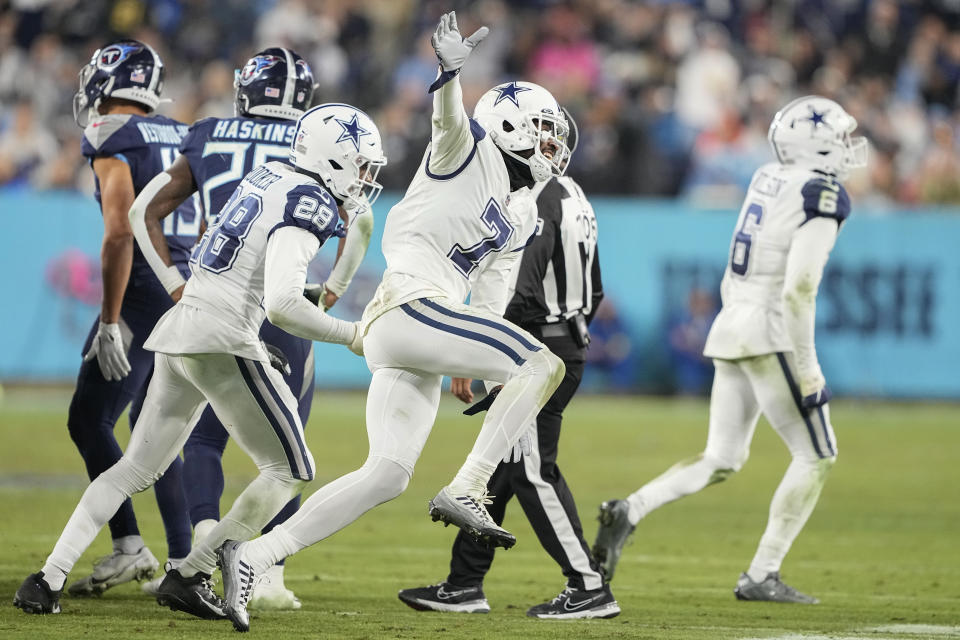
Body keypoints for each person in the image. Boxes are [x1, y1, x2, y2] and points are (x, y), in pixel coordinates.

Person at [215, 12, 569, 632]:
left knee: (386, 474)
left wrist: (473, 368)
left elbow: (490, 298)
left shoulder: (524, 210)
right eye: (540, 129)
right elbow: (448, 120)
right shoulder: (470, 149)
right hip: (410, 305)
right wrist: (450, 73)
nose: (550, 143)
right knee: (544, 362)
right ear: (508, 124)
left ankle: (256, 555)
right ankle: (469, 487)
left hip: (423, 329)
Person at [12, 102, 383, 617]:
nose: (365, 178)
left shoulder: (268, 175)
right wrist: (355, 334)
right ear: (334, 159)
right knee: (292, 469)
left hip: (182, 328)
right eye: (362, 164)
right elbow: (283, 303)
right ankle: (192, 573)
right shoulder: (310, 202)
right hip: (223, 339)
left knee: (135, 467)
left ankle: (46, 578)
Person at [592, 96, 868, 604]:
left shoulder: (768, 176)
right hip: (771, 327)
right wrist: (807, 367)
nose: (849, 146)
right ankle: (762, 573)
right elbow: (799, 289)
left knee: (723, 456)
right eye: (840, 135)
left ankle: (631, 508)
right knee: (817, 454)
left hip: (733, 320)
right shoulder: (822, 192)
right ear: (818, 142)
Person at [129, 46, 373, 610]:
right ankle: (265, 572)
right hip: (278, 308)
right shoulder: (316, 147)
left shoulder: (212, 132)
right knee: (288, 453)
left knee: (204, 443)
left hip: (211, 297)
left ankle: (194, 557)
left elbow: (145, 210)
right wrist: (332, 290)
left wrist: (173, 281)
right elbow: (359, 222)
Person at [397, 108, 619, 619]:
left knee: (532, 471)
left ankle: (588, 585)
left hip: (534, 347)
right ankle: (463, 583)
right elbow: (597, 287)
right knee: (501, 467)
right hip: (563, 338)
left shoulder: (534, 199)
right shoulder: (575, 196)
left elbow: (519, 287)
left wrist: (485, 352)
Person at [46, 39, 196, 600]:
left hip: (140, 292)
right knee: (155, 431)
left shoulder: (110, 131)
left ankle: (130, 545)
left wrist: (110, 319)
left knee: (89, 419)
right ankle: (183, 560)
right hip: (184, 288)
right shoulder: (182, 132)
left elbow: (118, 230)